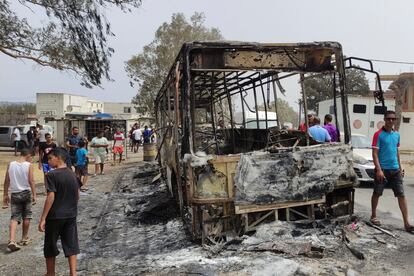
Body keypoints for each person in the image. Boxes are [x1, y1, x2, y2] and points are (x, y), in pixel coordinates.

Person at [38, 148, 81, 276]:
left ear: (58, 158)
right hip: (70, 215)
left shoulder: (51, 175)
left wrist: (43, 218)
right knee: (71, 244)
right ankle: (73, 273)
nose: (49, 161)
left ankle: (50, 273)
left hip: (55, 216)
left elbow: (50, 197)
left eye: (50, 158)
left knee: (50, 246)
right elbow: (77, 195)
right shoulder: (72, 173)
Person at [371, 110, 414, 232]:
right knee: (377, 193)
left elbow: (397, 152)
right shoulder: (378, 134)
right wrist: (379, 170)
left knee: (401, 195)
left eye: (393, 119)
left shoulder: (397, 134)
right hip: (382, 170)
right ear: (384, 120)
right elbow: (374, 153)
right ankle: (373, 216)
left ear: (395, 120)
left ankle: (406, 223)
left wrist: (400, 168)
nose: (391, 121)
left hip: (395, 170)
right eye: (388, 118)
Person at [2, 148, 37, 252]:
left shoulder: (11, 164)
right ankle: (24, 238)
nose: (32, 160)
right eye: (32, 157)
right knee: (27, 215)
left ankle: (12, 240)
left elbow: (6, 181)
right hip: (26, 192)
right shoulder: (29, 165)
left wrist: (5, 194)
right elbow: (31, 181)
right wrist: (35, 194)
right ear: (28, 155)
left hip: (15, 193)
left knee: (14, 217)